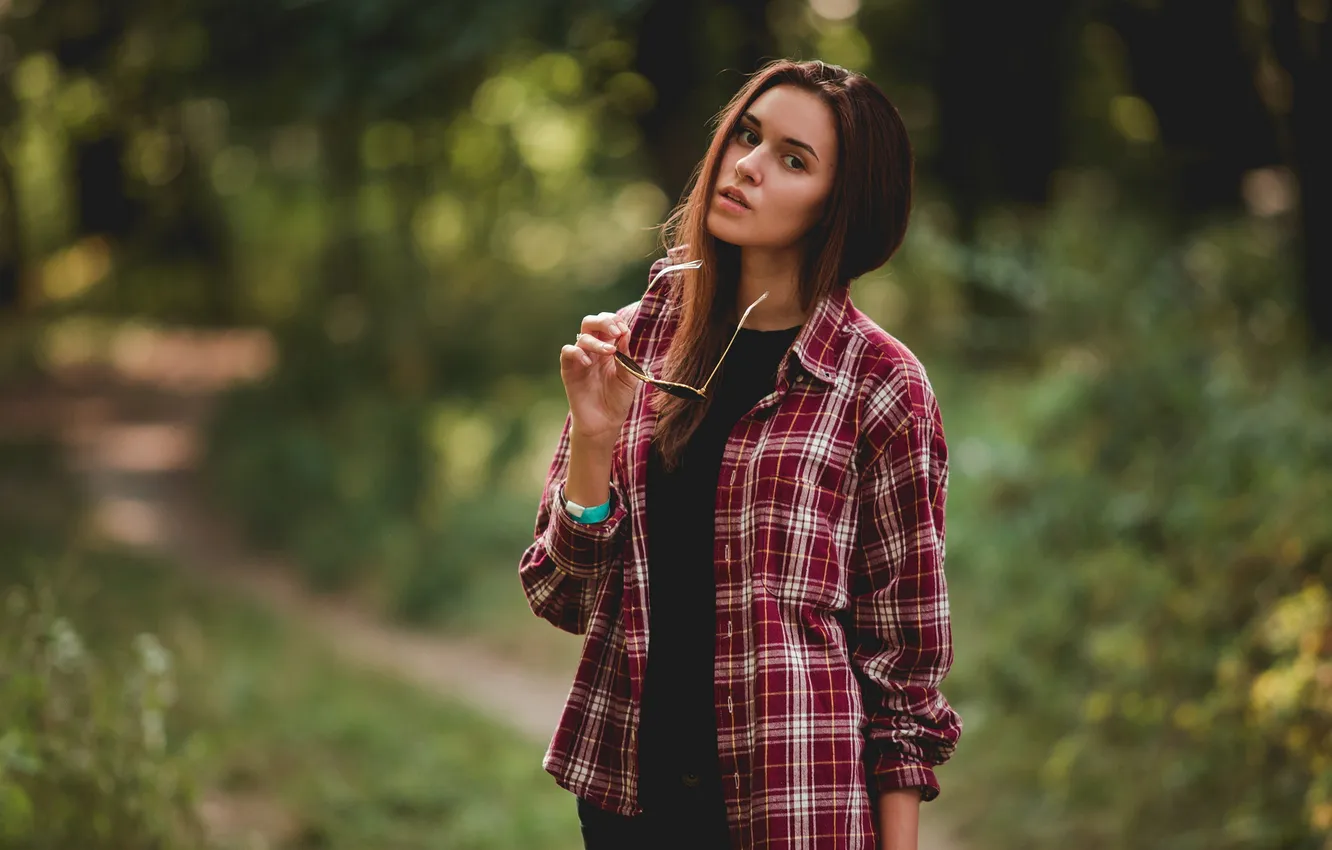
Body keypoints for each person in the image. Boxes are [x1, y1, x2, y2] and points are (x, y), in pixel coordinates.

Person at [518, 58, 962, 850]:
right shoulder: (640, 340)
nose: (748, 166)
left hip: (794, 806)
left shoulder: (881, 384)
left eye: (794, 159)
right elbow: (563, 597)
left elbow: (904, 663)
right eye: (748, 137)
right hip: (630, 808)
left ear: (842, 203)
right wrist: (593, 437)